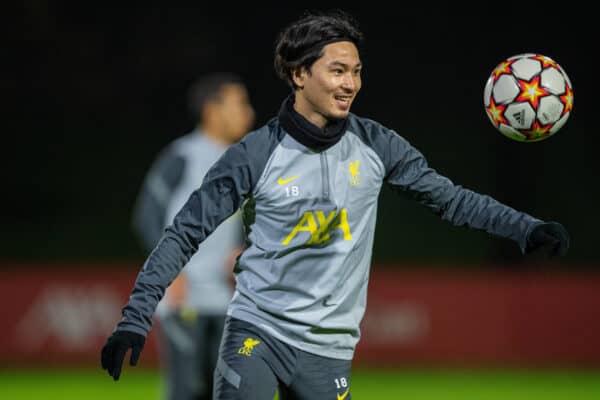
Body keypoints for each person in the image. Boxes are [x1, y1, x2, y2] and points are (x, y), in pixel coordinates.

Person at [101, 10, 570, 399]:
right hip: (255, 332)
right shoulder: (255, 154)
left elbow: (451, 200)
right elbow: (183, 232)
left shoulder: (378, 146)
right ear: (300, 75)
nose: (351, 83)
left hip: (330, 350)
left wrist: (525, 228)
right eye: (338, 70)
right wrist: (135, 318)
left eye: (357, 71)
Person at [129, 72, 255, 400]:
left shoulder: (239, 161)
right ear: (212, 111)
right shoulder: (183, 155)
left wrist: (241, 250)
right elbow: (147, 215)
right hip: (185, 294)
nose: (248, 112)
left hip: (224, 295)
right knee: (188, 390)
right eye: (239, 103)